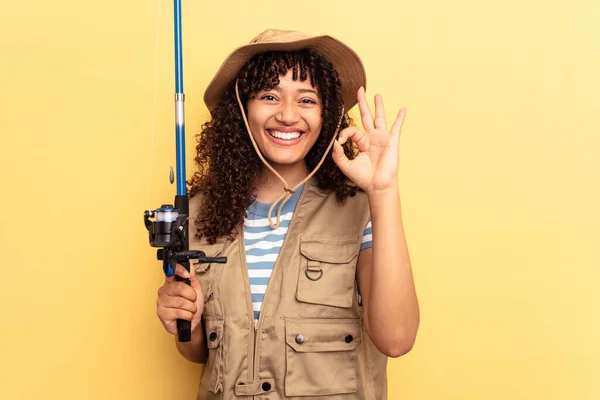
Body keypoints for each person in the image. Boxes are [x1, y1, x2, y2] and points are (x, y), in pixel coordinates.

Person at [156, 29, 420, 399]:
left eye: (307, 99)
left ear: (326, 114)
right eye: (268, 96)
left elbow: (397, 338)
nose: (287, 115)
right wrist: (187, 319)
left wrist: (383, 191)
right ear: (242, 109)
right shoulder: (199, 213)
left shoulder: (362, 205)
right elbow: (200, 353)